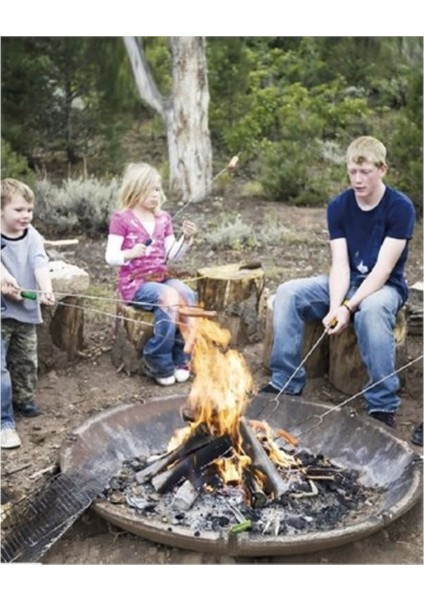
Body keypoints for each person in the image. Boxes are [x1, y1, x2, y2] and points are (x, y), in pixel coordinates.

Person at [262, 136, 416, 428]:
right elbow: (340, 264)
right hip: (346, 282)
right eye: (352, 172)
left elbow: (383, 270)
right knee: (287, 292)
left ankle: (382, 403)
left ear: (382, 169)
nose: (357, 180)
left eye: (365, 172)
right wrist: (335, 306)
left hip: (384, 287)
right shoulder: (339, 206)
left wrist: (348, 307)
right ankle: (285, 381)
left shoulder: (400, 207)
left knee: (370, 311)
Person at [105, 162, 198, 387]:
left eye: (157, 189)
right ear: (135, 190)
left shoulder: (163, 218)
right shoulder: (122, 219)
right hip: (135, 283)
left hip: (160, 277)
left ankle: (181, 354)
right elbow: (110, 256)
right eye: (149, 190)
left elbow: (172, 254)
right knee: (168, 298)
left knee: (187, 295)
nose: (155, 195)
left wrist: (185, 239)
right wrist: (129, 254)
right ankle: (158, 358)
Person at [1, 178, 55, 449]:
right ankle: (4, 421)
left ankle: (22, 400)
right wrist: (5, 279)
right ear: (1, 210)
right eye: (18, 210)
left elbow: (39, 262)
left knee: (25, 360)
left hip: (24, 312)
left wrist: (45, 289)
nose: (25, 215)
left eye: (29, 210)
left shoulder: (32, 235)